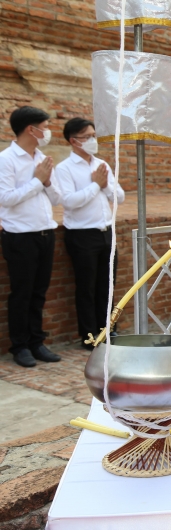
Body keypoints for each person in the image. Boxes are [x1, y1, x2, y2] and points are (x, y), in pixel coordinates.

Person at [54, 117, 125, 348]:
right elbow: (69, 201)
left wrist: (104, 184)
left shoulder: (101, 164)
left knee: (107, 285)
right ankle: (89, 335)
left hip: (106, 232)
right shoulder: (64, 168)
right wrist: (95, 185)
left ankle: (108, 329)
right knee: (86, 287)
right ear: (74, 141)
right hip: (82, 235)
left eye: (94, 135)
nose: (93, 140)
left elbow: (120, 196)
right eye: (88, 137)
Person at [0, 106, 62, 367]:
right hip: (20, 235)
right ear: (31, 129)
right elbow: (6, 199)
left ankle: (37, 341)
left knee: (39, 292)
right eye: (45, 126)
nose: (47, 131)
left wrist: (46, 182)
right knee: (22, 292)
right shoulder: (7, 159)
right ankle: (20, 346)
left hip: (45, 232)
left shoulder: (42, 159)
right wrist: (38, 180)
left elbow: (58, 199)